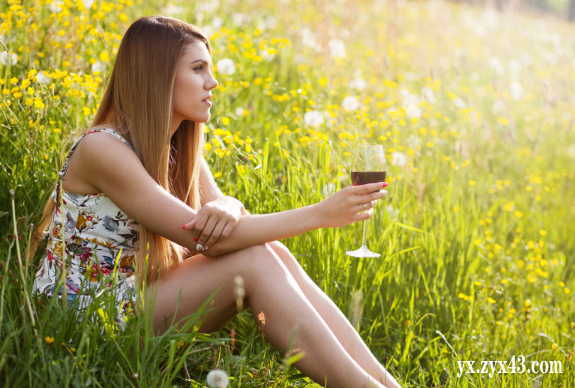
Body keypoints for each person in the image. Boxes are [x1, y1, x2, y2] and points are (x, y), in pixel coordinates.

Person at [28, 16, 401, 388]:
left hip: (131, 299)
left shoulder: (176, 146)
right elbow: (204, 239)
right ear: (158, 76)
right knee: (253, 260)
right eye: (197, 68)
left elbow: (231, 224)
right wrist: (321, 214)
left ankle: (387, 384)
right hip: (84, 318)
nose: (213, 81)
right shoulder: (102, 149)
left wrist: (231, 204)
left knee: (270, 252)